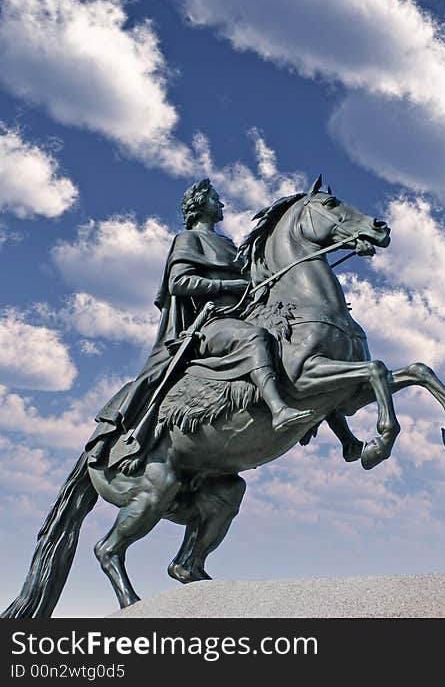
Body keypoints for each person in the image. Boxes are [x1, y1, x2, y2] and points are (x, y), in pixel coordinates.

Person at [85, 178, 313, 473]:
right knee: (254, 338)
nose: (222, 204)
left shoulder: (229, 244)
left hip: (239, 315)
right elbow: (179, 283)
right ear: (198, 204)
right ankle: (279, 409)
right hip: (210, 323)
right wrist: (227, 284)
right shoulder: (188, 239)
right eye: (216, 198)